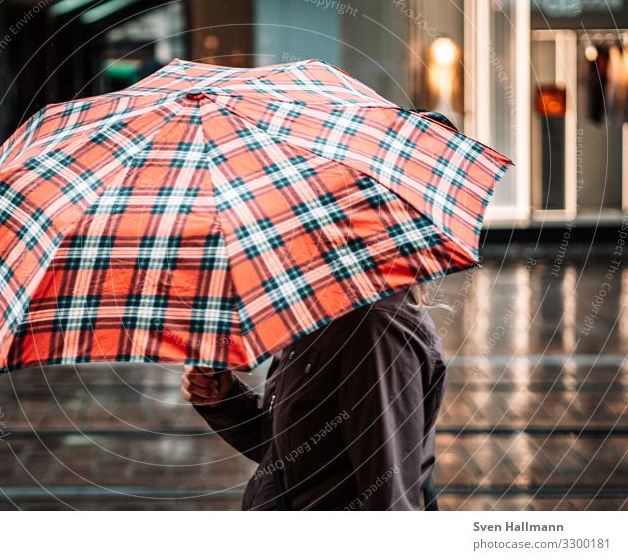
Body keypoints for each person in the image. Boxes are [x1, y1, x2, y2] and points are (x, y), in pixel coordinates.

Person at [181, 109, 457, 511]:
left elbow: (388, 501)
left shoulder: (375, 329)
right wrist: (224, 401)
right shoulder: (325, 308)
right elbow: (294, 457)